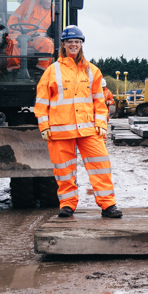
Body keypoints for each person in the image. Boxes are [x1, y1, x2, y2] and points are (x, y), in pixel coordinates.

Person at [34, 25, 122, 218]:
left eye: (77, 41)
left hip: (89, 129)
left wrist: (101, 124)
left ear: (81, 44)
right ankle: (67, 204)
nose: (73, 44)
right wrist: (44, 126)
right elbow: (41, 101)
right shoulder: (52, 71)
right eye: (70, 42)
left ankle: (108, 205)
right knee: (64, 170)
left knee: (101, 166)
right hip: (60, 130)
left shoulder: (92, 71)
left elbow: (100, 101)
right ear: (63, 44)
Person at [6, 0, 55, 72]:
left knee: (48, 45)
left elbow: (55, 30)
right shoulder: (29, 2)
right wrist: (15, 31)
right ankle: (14, 70)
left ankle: (41, 71)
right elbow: (13, 18)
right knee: (14, 42)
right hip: (20, 34)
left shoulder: (55, 11)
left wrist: (46, 35)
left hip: (37, 38)